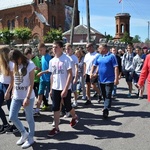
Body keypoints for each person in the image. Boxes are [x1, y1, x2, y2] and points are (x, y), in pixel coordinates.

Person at [48, 41, 79, 137]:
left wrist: (65, 89)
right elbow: (52, 75)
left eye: (56, 47)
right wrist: (51, 89)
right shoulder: (51, 61)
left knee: (68, 106)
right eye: (53, 47)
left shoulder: (66, 59)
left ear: (61, 48)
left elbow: (70, 74)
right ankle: (56, 128)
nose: (54, 49)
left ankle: (74, 116)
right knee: (55, 107)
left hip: (65, 87)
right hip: (55, 88)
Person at [9, 49, 35, 149]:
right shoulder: (14, 64)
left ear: (19, 57)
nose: (14, 63)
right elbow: (14, 80)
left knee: (29, 118)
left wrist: (27, 98)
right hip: (16, 96)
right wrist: (11, 92)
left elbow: (31, 84)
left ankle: (31, 138)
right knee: (12, 117)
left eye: (15, 60)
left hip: (28, 96)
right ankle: (24, 133)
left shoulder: (30, 64)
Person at [90, 43, 119, 118]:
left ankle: (106, 109)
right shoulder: (98, 56)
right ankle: (107, 105)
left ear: (104, 49)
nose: (98, 49)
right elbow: (94, 65)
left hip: (110, 79)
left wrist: (116, 78)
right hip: (101, 79)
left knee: (108, 94)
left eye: (99, 48)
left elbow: (116, 67)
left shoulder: (111, 56)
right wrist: (91, 73)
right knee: (104, 95)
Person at [34, 43, 52, 116]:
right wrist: (39, 69)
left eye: (41, 50)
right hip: (42, 79)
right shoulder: (42, 57)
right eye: (39, 50)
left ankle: (59, 109)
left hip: (48, 79)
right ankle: (37, 110)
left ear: (44, 48)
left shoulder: (49, 57)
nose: (40, 52)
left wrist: (42, 72)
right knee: (40, 94)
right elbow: (43, 67)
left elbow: (51, 69)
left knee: (52, 95)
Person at [0, 47, 13, 134]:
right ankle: (5, 124)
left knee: (11, 109)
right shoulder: (1, 63)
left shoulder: (11, 64)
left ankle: (15, 126)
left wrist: (8, 91)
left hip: (9, 86)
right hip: (1, 85)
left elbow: (13, 79)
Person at [65, 43, 79, 107]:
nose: (67, 50)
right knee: (67, 89)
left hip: (72, 76)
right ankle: (68, 101)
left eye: (68, 49)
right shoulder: (65, 57)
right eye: (66, 49)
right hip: (66, 76)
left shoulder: (74, 58)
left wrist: (76, 77)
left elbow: (76, 68)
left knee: (74, 89)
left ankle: (75, 101)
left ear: (71, 49)